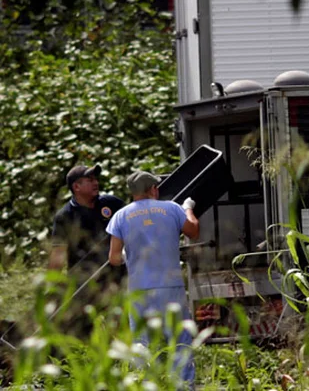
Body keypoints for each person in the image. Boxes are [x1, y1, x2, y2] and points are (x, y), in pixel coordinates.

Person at [106, 170, 199, 389]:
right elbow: (193, 231)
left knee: (143, 344)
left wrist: (129, 257)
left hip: (139, 290)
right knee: (180, 341)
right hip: (171, 288)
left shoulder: (120, 216)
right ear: (153, 189)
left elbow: (114, 258)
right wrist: (189, 208)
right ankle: (184, 387)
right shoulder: (172, 208)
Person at [49, 164, 127, 333]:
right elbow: (57, 258)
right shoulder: (65, 216)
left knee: (123, 325)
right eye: (90, 180)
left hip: (117, 279)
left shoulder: (112, 204)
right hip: (84, 285)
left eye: (95, 179)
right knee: (84, 332)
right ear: (76, 187)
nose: (96, 183)